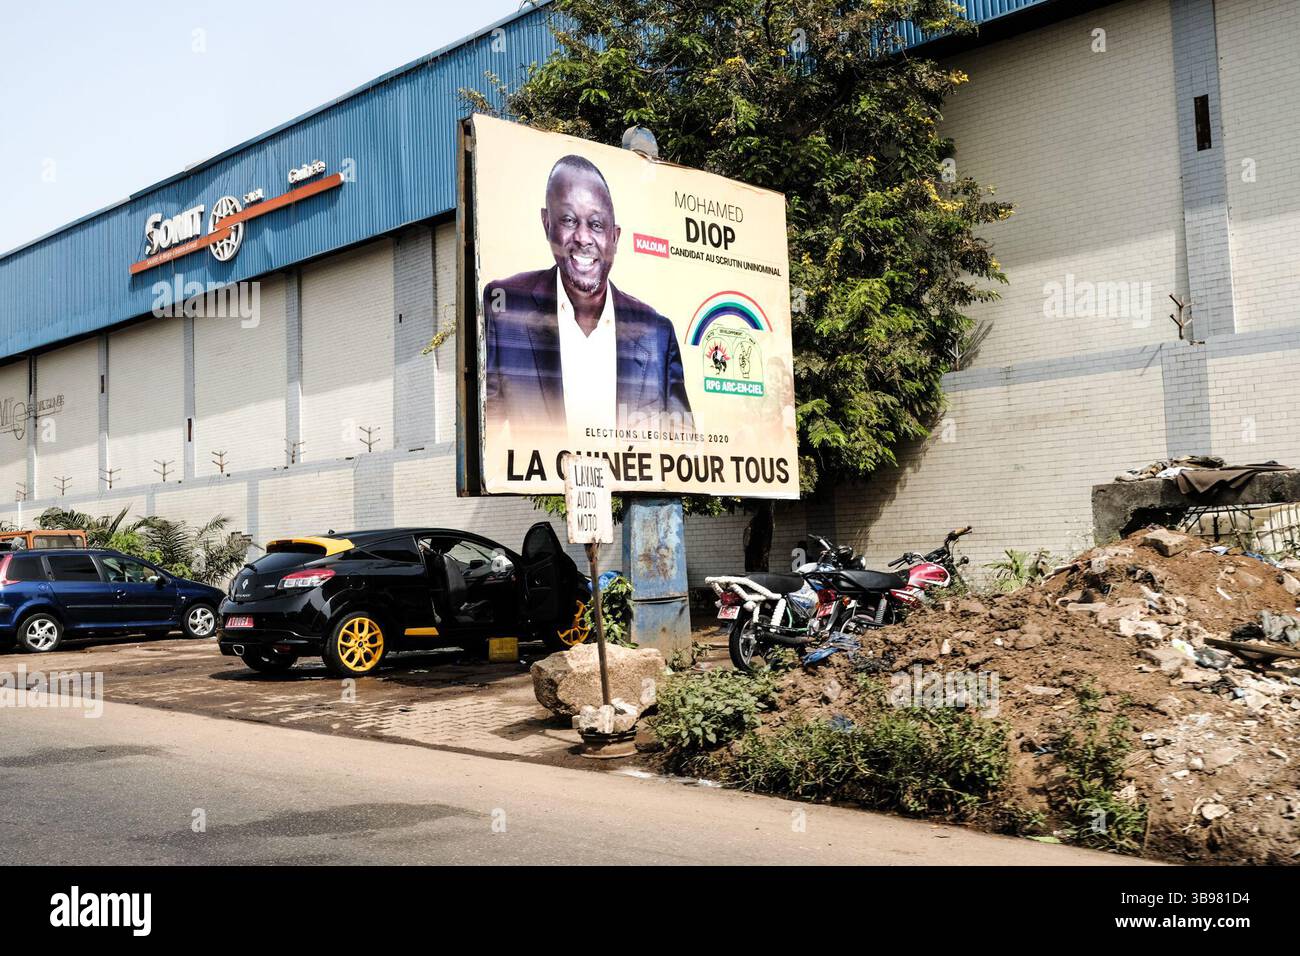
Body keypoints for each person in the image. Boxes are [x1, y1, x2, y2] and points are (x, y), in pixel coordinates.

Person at [483, 154, 692, 434]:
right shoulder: (506, 310)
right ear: (547, 223)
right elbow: (488, 441)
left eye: (596, 224)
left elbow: (682, 446)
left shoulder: (657, 334)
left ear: (614, 238)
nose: (582, 238)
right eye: (568, 220)